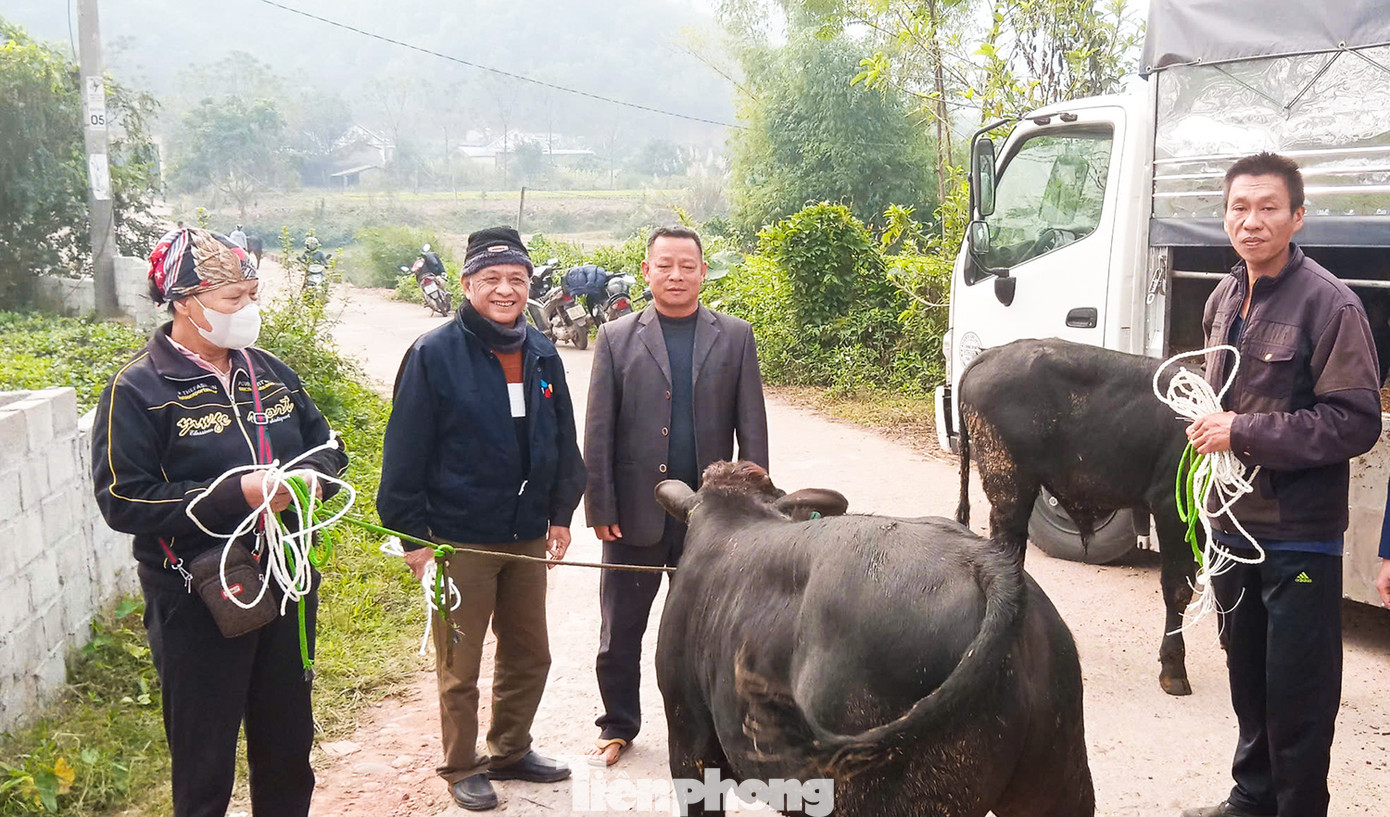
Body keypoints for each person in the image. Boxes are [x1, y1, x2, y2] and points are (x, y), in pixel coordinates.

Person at [91, 227, 348, 817]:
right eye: (233, 298)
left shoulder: (271, 373)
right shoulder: (140, 388)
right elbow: (123, 499)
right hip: (196, 592)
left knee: (287, 741)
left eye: (252, 295)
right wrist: (236, 495)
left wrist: (311, 478)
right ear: (184, 302)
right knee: (204, 753)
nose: (247, 309)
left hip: (286, 576)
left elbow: (328, 446)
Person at [1181, 153, 1382, 817]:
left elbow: (1354, 422)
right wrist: (1211, 428)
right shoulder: (1222, 298)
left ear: (1298, 217)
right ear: (1225, 217)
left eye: (1269, 207)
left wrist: (1241, 432)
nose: (1252, 221)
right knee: (1246, 678)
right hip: (1232, 530)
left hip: (1298, 542)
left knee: (1298, 694)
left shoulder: (1331, 304)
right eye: (1239, 207)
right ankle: (1251, 797)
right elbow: (1217, 397)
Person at [377, 226, 585, 811]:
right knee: (460, 663)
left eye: (516, 279)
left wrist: (560, 512)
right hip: (457, 539)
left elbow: (561, 438)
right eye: (491, 278)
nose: (505, 290)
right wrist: (413, 540)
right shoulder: (433, 354)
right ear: (467, 285)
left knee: (529, 653)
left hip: (525, 533)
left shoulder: (541, 350)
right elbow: (404, 454)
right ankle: (461, 764)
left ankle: (511, 750)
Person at [583, 225, 769, 766]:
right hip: (634, 514)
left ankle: (719, 730)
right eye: (664, 265)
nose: (676, 275)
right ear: (647, 271)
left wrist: (756, 506)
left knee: (715, 629)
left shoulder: (734, 335)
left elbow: (752, 428)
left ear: (703, 272)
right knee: (621, 628)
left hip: (712, 517)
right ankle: (617, 724)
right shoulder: (616, 337)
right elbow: (598, 430)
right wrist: (601, 506)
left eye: (687, 266)